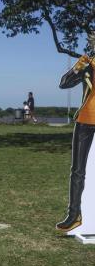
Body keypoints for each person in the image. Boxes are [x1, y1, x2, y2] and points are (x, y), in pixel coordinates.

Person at [56, 32, 95, 232]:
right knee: (77, 171)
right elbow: (63, 84)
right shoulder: (87, 64)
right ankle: (74, 215)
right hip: (85, 121)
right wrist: (77, 66)